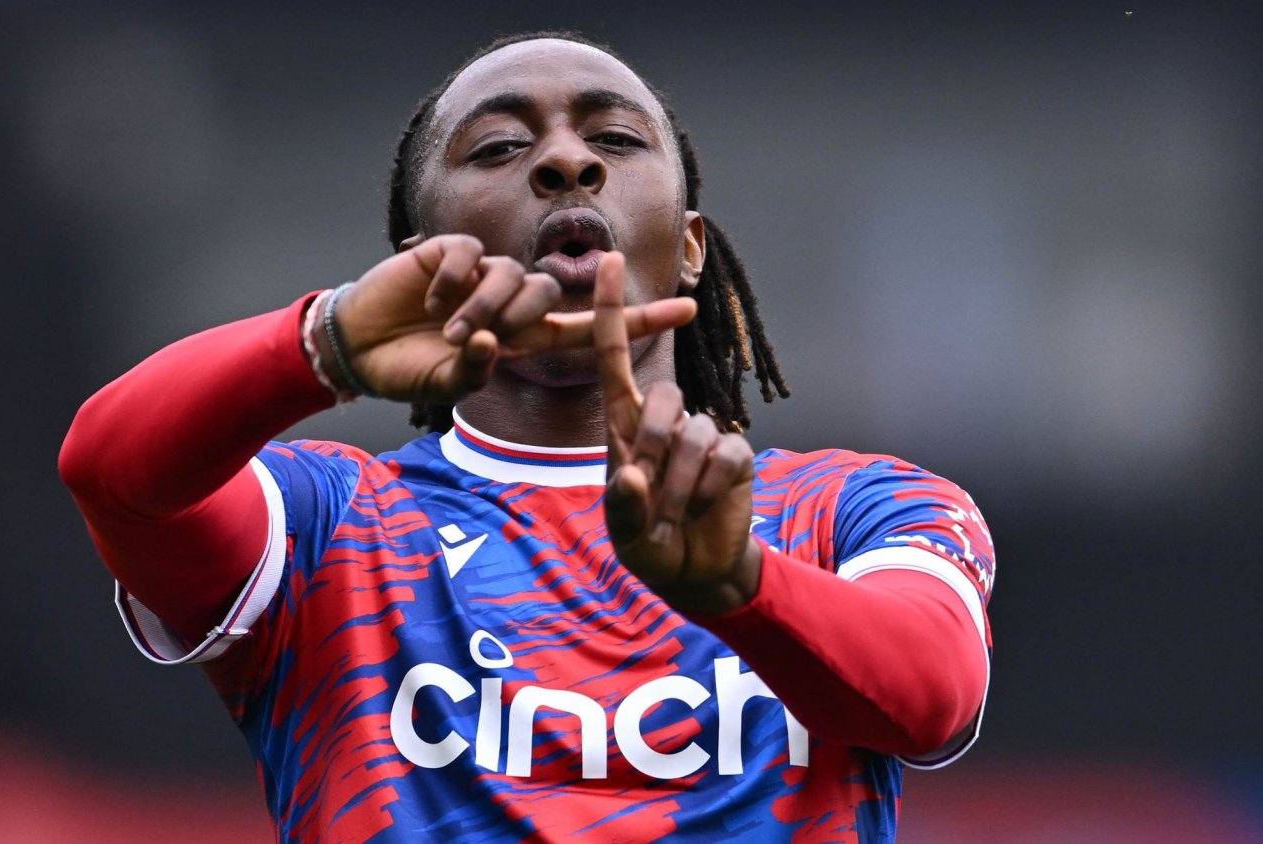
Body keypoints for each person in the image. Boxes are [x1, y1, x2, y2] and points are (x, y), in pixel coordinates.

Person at [59, 31, 994, 843]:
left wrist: (743, 588)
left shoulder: (849, 509)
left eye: (615, 139)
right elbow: (110, 473)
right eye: (500, 146)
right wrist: (322, 345)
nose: (565, 161)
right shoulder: (328, 525)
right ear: (422, 257)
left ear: (692, 246)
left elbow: (933, 694)